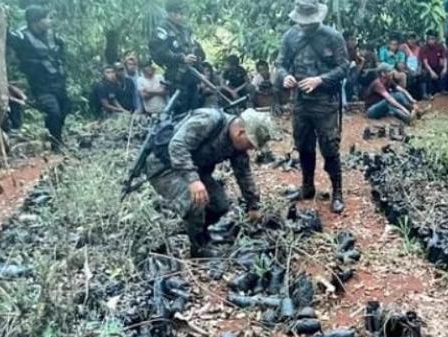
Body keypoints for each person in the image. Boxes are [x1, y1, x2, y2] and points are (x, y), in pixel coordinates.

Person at [144, 108, 274, 258]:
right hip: (164, 168)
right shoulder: (208, 120)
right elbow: (177, 146)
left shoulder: (237, 146)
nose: (250, 149)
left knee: (220, 205)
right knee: (195, 201)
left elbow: (243, 173)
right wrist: (193, 181)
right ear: (240, 132)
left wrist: (253, 205)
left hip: (195, 170)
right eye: (251, 144)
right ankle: (198, 247)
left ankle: (197, 228)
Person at [276, 0, 349, 214]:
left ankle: (337, 191)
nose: (305, 26)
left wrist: (320, 79)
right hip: (300, 103)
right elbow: (280, 63)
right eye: (302, 22)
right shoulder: (290, 36)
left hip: (325, 103)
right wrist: (285, 76)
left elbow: (344, 67)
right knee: (304, 145)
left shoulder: (332, 37)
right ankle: (307, 187)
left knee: (329, 147)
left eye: (309, 22)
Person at [8, 5, 69, 150]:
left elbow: (60, 52)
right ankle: (56, 144)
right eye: (46, 18)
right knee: (53, 111)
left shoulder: (52, 35)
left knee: (65, 108)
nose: (49, 21)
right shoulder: (22, 36)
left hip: (57, 82)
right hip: (40, 85)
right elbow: (6, 37)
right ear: (35, 21)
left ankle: (54, 136)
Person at [149, 0, 206, 113]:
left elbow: (192, 48)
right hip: (176, 77)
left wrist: (198, 64)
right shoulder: (162, 29)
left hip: (191, 76)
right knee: (180, 111)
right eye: (179, 13)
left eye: (183, 13)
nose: (182, 17)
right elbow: (159, 53)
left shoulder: (185, 29)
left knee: (194, 109)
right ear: (171, 13)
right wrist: (181, 58)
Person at [420, 30, 448, 98]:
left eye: (432, 39)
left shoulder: (440, 46)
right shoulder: (424, 48)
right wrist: (432, 72)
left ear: (436, 39)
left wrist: (445, 68)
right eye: (429, 39)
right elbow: (425, 62)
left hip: (437, 65)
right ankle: (427, 93)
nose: (431, 41)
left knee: (445, 69)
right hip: (428, 68)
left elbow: (444, 58)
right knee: (425, 73)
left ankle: (443, 89)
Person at [400, 33, 424, 99]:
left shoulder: (419, 48)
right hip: (407, 69)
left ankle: (423, 95)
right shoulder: (403, 48)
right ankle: (410, 97)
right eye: (410, 39)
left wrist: (418, 70)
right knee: (410, 77)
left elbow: (420, 61)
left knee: (423, 74)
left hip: (416, 68)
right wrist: (409, 71)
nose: (412, 41)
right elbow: (403, 62)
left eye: (413, 39)